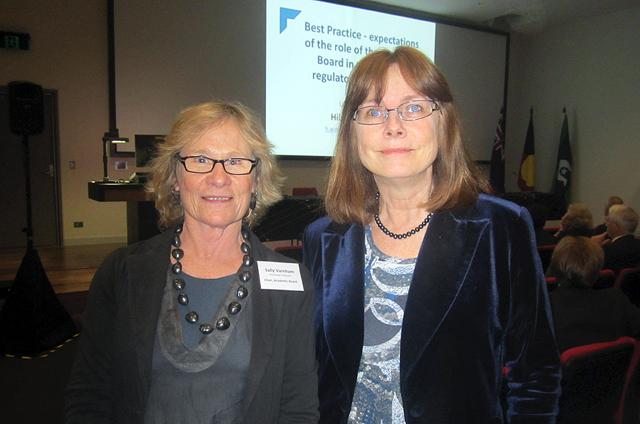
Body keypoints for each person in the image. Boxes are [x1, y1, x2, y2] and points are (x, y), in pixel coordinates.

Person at [303, 46, 561, 423]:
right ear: (351, 134)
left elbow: (536, 375)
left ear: (444, 123)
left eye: (413, 107)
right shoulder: (321, 238)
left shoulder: (501, 229)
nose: (393, 126)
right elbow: (311, 373)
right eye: (373, 112)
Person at [65, 101, 319, 423]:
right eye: (200, 160)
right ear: (174, 177)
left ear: (255, 180)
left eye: (235, 161)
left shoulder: (292, 283)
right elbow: (89, 395)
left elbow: (298, 409)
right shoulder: (123, 273)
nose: (218, 177)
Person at [548, 236, 640, 352]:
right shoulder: (616, 300)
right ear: (598, 269)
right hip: (616, 369)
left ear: (554, 267)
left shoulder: (545, 308)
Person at [595, 204, 640, 271]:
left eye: (608, 221)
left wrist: (595, 248)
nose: (606, 224)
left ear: (615, 226)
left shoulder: (608, 252)